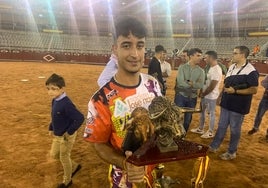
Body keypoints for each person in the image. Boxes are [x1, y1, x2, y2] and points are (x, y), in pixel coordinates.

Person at [83, 17, 162, 188]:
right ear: (115, 49)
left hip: (153, 172)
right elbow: (98, 144)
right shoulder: (101, 99)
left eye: (140, 46)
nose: (135, 54)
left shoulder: (153, 84)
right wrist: (126, 163)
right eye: (127, 45)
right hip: (125, 180)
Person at [209, 46, 259, 160]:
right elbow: (226, 83)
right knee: (221, 126)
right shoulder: (231, 67)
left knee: (235, 129)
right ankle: (214, 146)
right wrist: (220, 96)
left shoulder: (251, 71)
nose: (233, 55)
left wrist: (235, 91)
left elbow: (254, 89)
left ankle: (232, 152)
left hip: (238, 106)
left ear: (242, 55)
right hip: (226, 103)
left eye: (235, 53)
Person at [46, 73, 84, 188]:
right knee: (54, 154)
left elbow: (80, 118)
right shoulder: (55, 100)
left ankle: (67, 180)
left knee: (64, 157)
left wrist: (69, 132)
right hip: (58, 135)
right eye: (48, 89)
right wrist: (51, 127)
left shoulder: (66, 104)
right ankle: (75, 166)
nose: (50, 92)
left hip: (66, 136)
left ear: (62, 89)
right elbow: (55, 115)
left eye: (54, 89)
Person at [191, 51, 223, 138]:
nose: (205, 59)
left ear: (211, 58)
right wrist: (202, 92)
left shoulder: (216, 69)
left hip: (211, 96)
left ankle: (210, 132)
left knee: (211, 114)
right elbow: (206, 82)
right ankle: (201, 128)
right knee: (202, 112)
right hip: (206, 95)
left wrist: (203, 93)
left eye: (206, 57)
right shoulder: (211, 68)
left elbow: (212, 85)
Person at [174, 48, 205, 132]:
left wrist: (189, 83)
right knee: (177, 118)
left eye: (200, 56)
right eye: (198, 55)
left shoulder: (201, 71)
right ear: (191, 56)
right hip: (180, 96)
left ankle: (183, 135)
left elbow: (200, 85)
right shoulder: (182, 67)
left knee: (187, 120)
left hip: (192, 98)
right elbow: (180, 82)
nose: (200, 58)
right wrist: (192, 84)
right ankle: (176, 134)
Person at [247, 75, 268, 141]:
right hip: (266, 98)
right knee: (259, 114)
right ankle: (255, 128)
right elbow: (263, 82)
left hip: (265, 98)